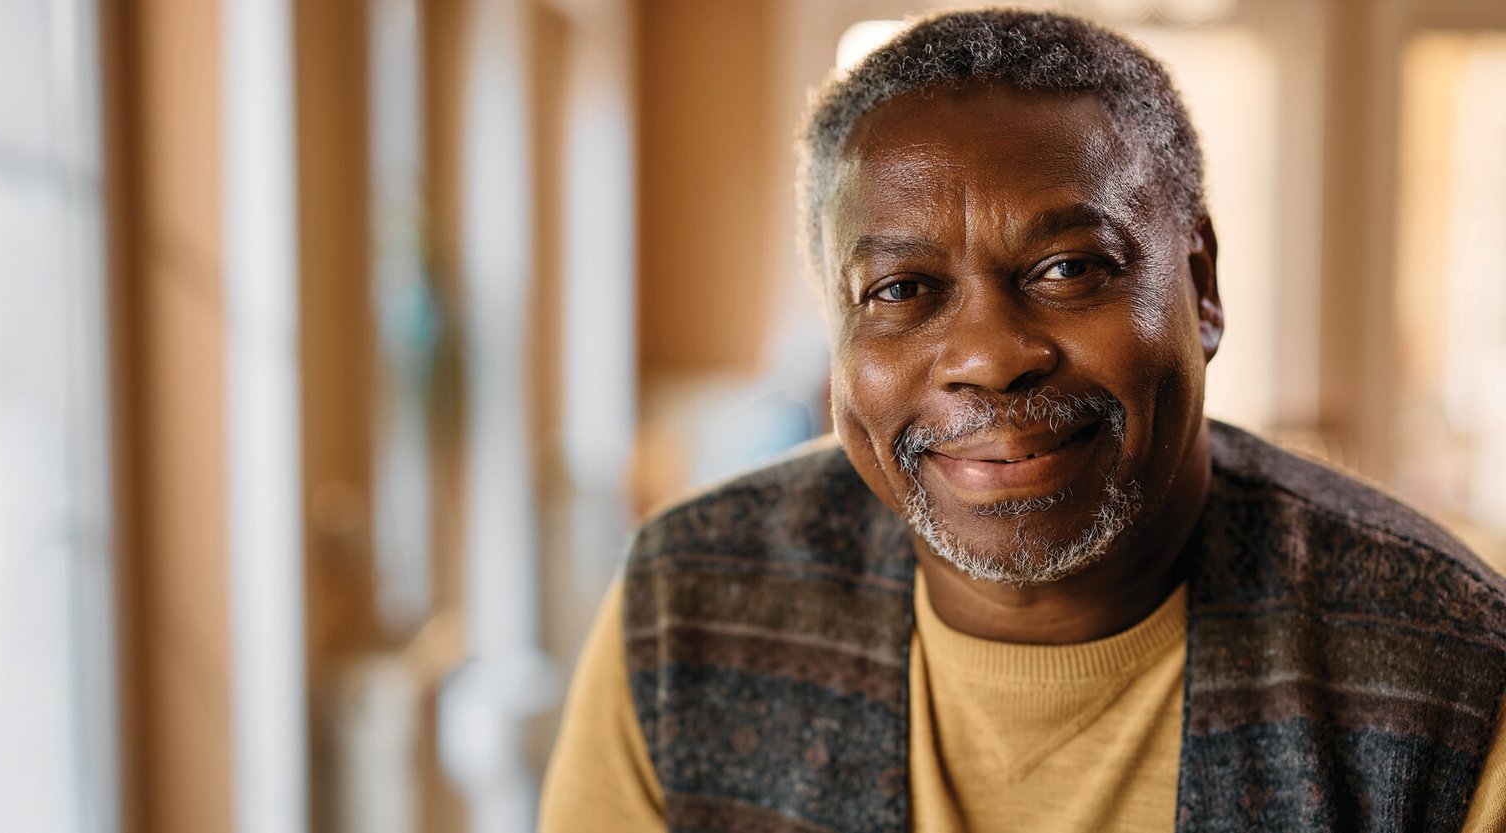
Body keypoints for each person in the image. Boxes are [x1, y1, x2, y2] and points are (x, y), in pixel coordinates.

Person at [538, 9, 1506, 832]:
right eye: (901, 286)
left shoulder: (1455, 668)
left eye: (1069, 268)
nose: (988, 356)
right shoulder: (690, 598)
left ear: (1199, 287)